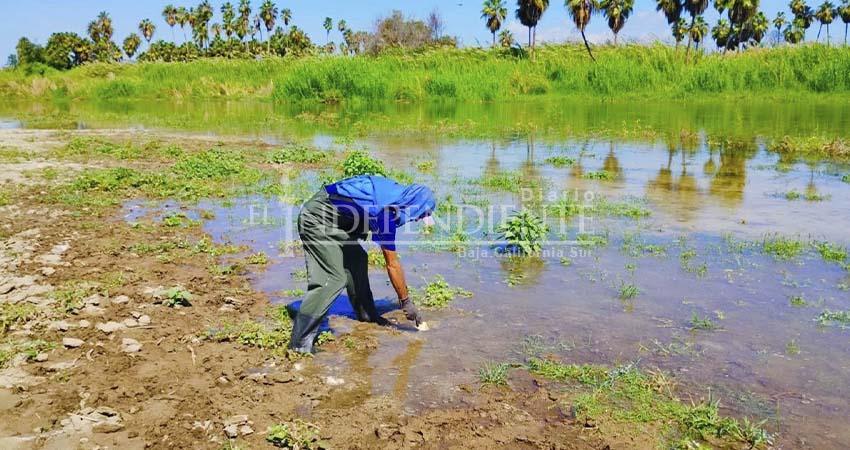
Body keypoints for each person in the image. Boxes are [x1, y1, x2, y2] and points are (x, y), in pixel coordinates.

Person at [289, 174, 437, 354]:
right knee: (334, 279)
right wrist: (406, 302)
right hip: (315, 219)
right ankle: (299, 344)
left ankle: (367, 314)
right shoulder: (385, 214)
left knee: (358, 258)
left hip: (334, 222)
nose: (417, 219)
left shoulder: (394, 193)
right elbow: (392, 264)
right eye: (420, 215)